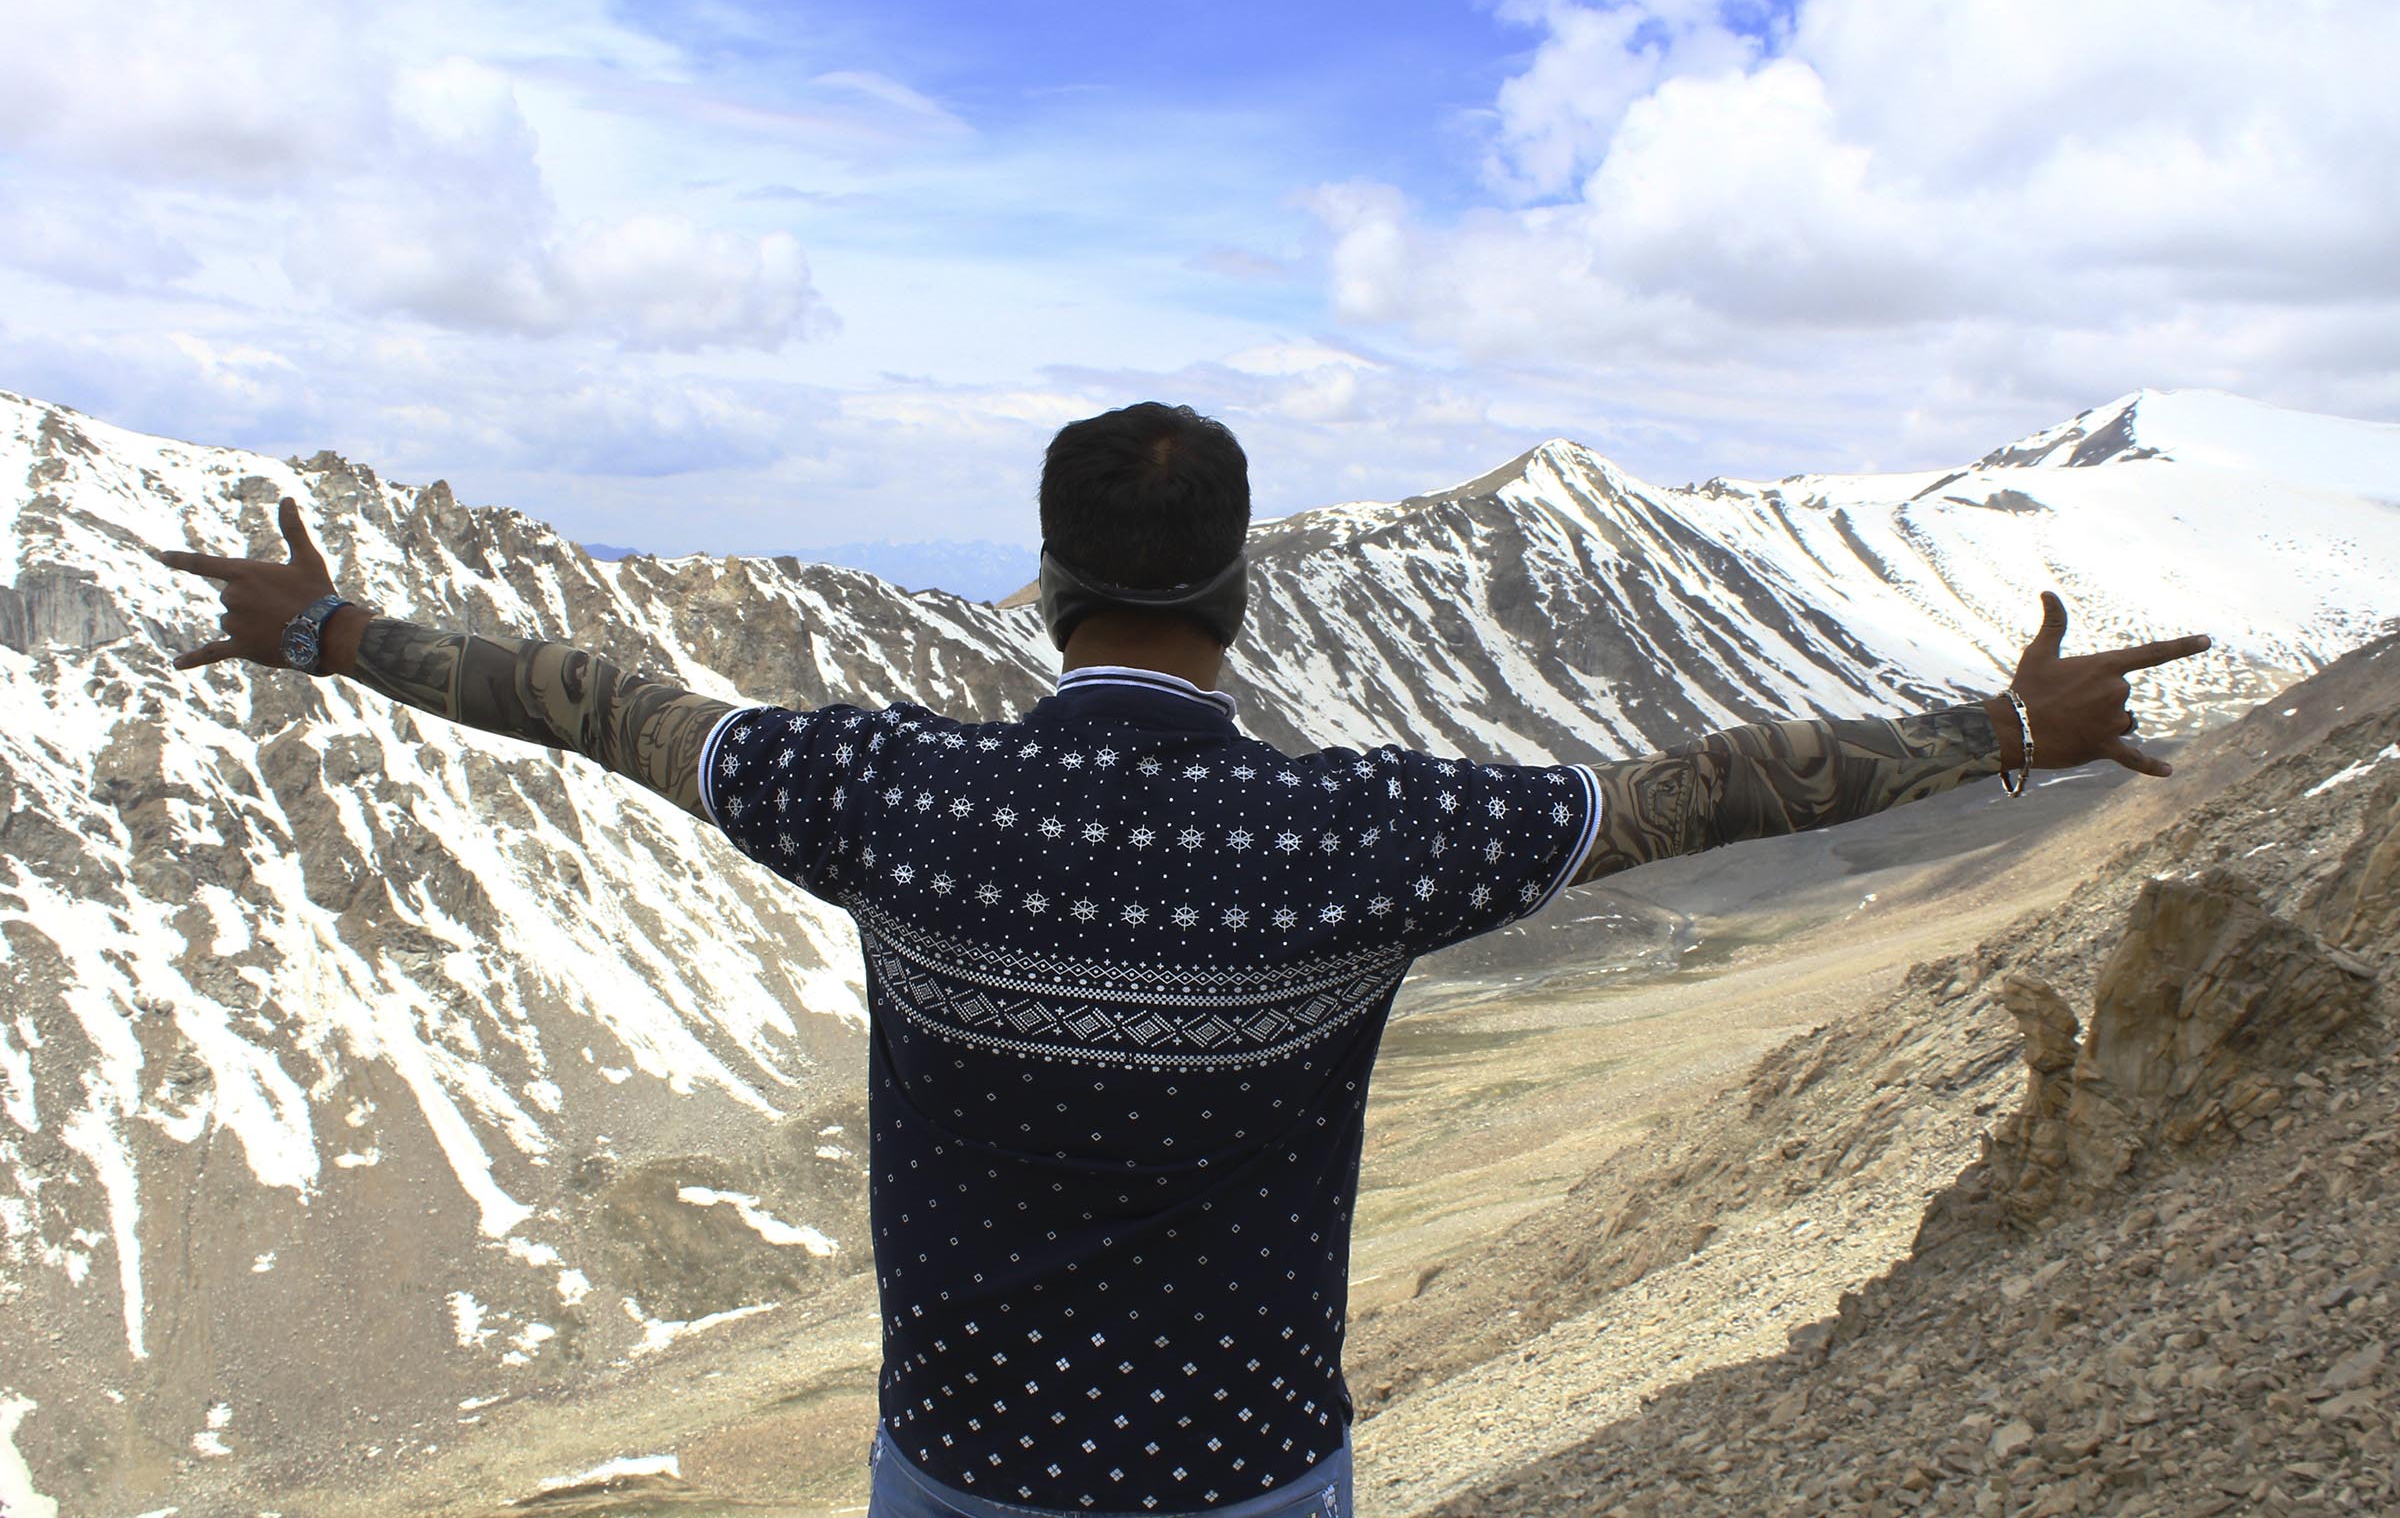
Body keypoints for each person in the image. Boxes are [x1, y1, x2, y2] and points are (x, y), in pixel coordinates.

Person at [161, 402, 2208, 1518]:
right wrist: (2003, 734)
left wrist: (329, 634)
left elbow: (597, 700)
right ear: (1241, 588)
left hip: (957, 1464)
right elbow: (1697, 793)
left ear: (1046, 589)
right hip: (1244, 1467)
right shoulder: (1358, 838)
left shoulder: (889, 798)